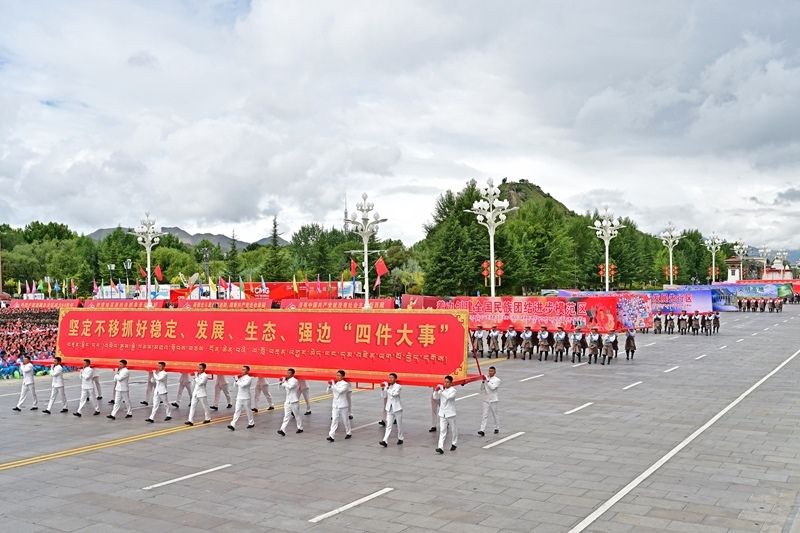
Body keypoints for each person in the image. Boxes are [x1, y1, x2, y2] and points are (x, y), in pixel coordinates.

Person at [433, 375, 457, 454]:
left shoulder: (453, 390)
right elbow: (435, 397)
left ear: (451, 383)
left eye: (447, 382)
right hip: (442, 413)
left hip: (450, 413)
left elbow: (448, 397)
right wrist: (436, 391)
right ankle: (440, 447)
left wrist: (442, 390)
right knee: (442, 430)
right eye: (445, 382)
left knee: (453, 429)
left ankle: (454, 443)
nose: (446, 383)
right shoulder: (442, 390)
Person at [326, 370, 352, 442]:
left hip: (343, 405)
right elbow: (327, 392)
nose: (337, 377)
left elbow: (340, 391)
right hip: (335, 405)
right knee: (334, 420)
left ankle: (348, 432)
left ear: (343, 376)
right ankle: (331, 435)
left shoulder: (345, 384)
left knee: (345, 420)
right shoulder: (335, 383)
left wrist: (333, 384)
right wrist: (329, 386)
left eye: (339, 375)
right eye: (337, 375)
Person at [379, 373, 403, 447]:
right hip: (389, 408)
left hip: (397, 408)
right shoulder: (388, 387)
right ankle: (385, 440)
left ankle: (400, 438)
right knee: (388, 425)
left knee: (399, 424)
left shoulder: (398, 386)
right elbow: (383, 396)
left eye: (392, 378)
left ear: (395, 379)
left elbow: (394, 394)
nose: (390, 379)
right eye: (389, 378)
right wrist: (383, 390)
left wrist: (387, 388)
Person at [277, 368, 303, 436]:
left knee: (297, 415)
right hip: (287, 401)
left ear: (293, 374)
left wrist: (284, 382)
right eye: (287, 373)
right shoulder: (287, 381)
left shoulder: (294, 380)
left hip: (294, 401)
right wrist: (281, 382)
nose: (288, 374)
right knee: (286, 416)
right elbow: (280, 389)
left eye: (289, 373)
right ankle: (282, 429)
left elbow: (290, 387)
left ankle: (300, 427)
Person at [228, 366, 255, 431]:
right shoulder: (240, 377)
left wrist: (237, 380)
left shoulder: (249, 378)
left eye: (244, 370)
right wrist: (235, 380)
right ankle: (232, 424)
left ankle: (251, 422)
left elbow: (243, 385)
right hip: (239, 397)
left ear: (247, 371)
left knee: (248, 411)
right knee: (237, 411)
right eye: (242, 369)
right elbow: (235, 386)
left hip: (246, 397)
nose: (242, 371)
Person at [478, 367, 499, 436]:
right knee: (484, 415)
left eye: (492, 371)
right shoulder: (486, 379)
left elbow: (492, 387)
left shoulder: (497, 380)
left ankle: (496, 427)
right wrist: (483, 382)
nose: (490, 372)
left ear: (494, 372)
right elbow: (481, 388)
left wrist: (487, 380)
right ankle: (482, 430)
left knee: (494, 414)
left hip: (493, 400)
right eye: (489, 371)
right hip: (486, 399)